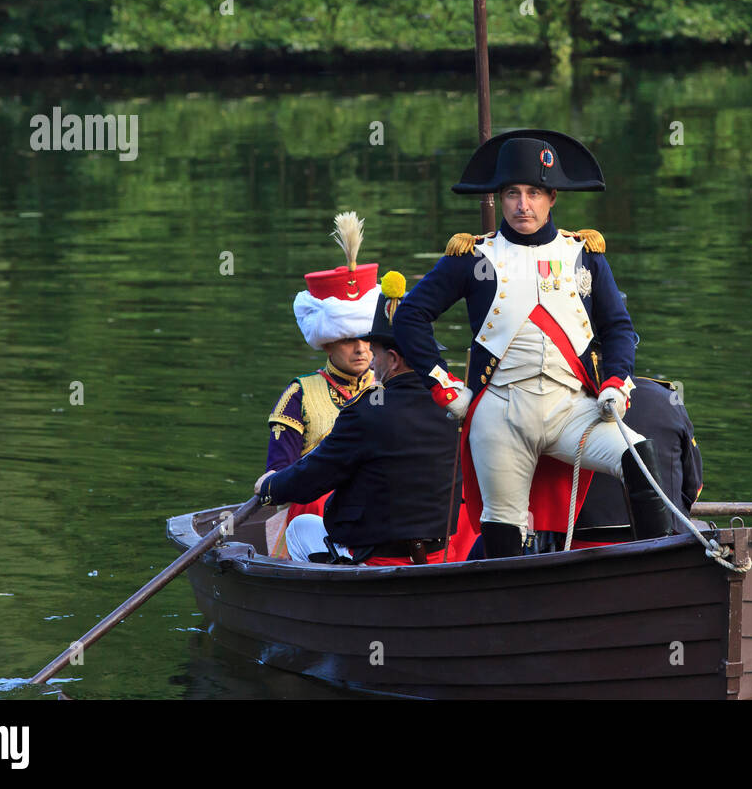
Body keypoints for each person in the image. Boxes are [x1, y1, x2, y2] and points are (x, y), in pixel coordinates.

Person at [391, 128, 674, 558]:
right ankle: (508, 609)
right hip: (500, 411)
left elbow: (619, 328)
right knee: (503, 529)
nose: (523, 205)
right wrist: (444, 386)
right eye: (512, 194)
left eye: (535, 193)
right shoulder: (472, 257)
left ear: (552, 198)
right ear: (499, 198)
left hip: (571, 410)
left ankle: (662, 569)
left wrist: (616, 382)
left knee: (640, 458)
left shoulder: (586, 254)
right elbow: (410, 316)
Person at [254, 270, 463, 566]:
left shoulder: (365, 411)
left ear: (392, 359)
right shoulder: (455, 408)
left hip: (379, 560)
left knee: (300, 529)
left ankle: (323, 604)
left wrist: (269, 488)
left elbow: (307, 480)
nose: (367, 357)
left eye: (374, 352)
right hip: (442, 557)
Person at [263, 213, 378, 559]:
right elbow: (279, 479)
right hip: (318, 515)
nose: (360, 348)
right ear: (326, 342)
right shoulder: (299, 395)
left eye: (367, 338)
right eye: (347, 340)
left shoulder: (395, 385)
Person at [570, 376, 704, 547]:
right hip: (667, 543)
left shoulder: (572, 399)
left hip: (582, 543)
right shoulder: (668, 398)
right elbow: (693, 486)